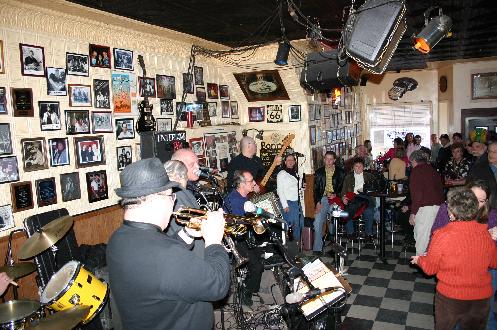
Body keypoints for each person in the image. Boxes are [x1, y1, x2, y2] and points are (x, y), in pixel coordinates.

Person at [107, 158, 229, 329]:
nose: (174, 202)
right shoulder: (165, 255)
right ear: (156, 199)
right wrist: (214, 241)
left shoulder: (118, 238)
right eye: (171, 195)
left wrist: (186, 234)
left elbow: (159, 268)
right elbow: (219, 285)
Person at [411, 187, 497, 330]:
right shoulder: (486, 234)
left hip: (450, 297)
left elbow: (430, 269)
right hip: (480, 300)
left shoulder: (442, 235)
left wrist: (420, 260)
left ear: (451, 212)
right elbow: (494, 262)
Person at [223, 170, 264, 306]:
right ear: (241, 184)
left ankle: (252, 287)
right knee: (257, 266)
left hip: (243, 236)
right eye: (251, 181)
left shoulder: (241, 196)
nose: (254, 183)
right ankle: (245, 291)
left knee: (260, 257)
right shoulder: (235, 200)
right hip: (235, 239)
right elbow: (239, 227)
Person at [409, 150, 444, 255]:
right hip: (438, 207)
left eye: (411, 163)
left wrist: (413, 213)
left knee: (422, 241)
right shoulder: (432, 170)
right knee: (432, 240)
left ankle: (423, 267)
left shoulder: (416, 171)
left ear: (414, 161)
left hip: (425, 209)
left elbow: (417, 194)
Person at [168, 148, 204, 256]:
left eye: (197, 163)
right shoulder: (177, 193)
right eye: (192, 164)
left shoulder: (189, 188)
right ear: (180, 168)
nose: (197, 167)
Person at [312, 151, 345, 255]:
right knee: (317, 222)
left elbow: (343, 189)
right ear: (324, 159)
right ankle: (317, 248)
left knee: (334, 216)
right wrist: (317, 203)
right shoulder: (319, 172)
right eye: (327, 159)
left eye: (331, 159)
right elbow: (316, 189)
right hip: (322, 198)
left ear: (334, 160)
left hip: (335, 199)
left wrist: (336, 195)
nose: (328, 161)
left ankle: (333, 240)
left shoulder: (341, 172)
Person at [340, 157, 376, 239]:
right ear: (353, 167)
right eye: (356, 166)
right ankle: (350, 232)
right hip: (353, 197)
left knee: (369, 210)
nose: (359, 168)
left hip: (366, 198)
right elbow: (343, 191)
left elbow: (375, 189)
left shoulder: (370, 176)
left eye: (360, 166)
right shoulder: (348, 177)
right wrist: (343, 197)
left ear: (364, 167)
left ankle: (368, 233)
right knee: (347, 208)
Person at [276, 154, 304, 242]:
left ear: (295, 162)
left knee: (300, 224)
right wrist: (285, 205)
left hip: (296, 202)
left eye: (292, 160)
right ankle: (293, 247)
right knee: (292, 226)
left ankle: (298, 245)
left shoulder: (295, 173)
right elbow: (279, 190)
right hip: (288, 202)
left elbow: (296, 188)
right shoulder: (282, 173)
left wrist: (302, 187)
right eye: (288, 160)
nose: (291, 162)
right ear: (285, 162)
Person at [467, 141, 497, 210]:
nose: (491, 154)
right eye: (489, 151)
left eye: (495, 152)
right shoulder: (479, 169)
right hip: (488, 209)